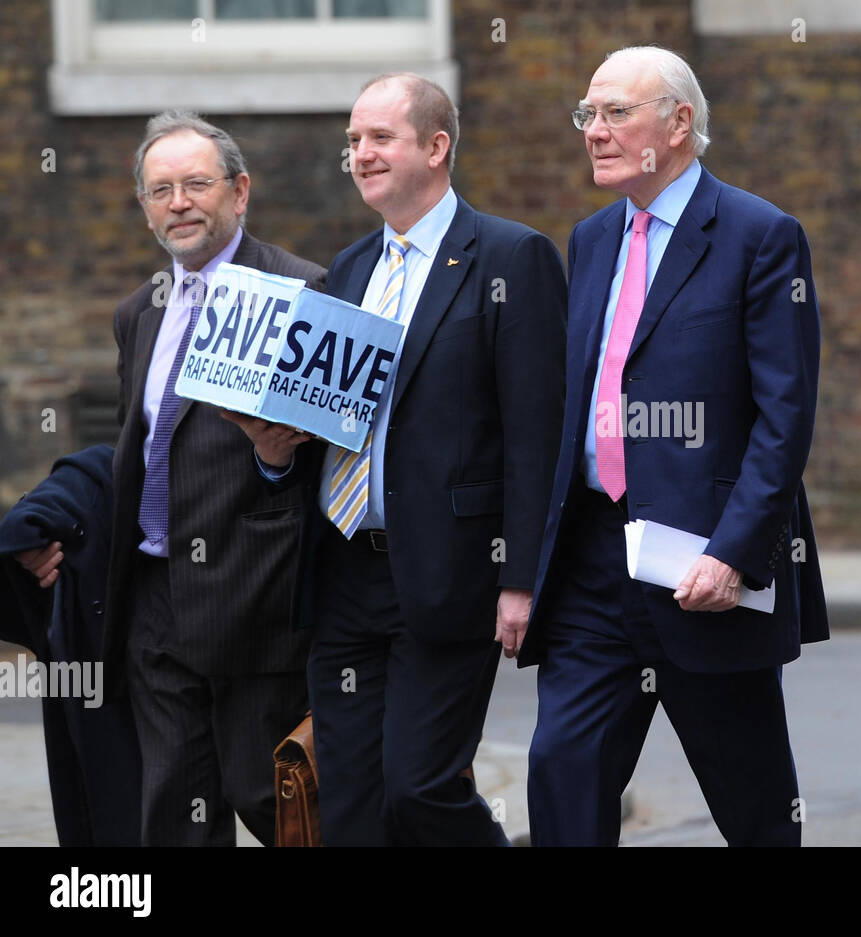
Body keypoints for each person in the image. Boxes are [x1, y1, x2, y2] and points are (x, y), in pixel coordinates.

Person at [229, 73, 566, 845]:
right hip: (345, 569)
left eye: (380, 138)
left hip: (450, 572)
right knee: (349, 802)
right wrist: (276, 457)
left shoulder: (512, 257)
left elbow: (535, 433)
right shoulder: (346, 271)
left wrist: (520, 578)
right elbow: (328, 423)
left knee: (419, 787)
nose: (361, 154)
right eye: (353, 141)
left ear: (437, 147)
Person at [516, 46, 828, 846]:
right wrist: (523, 574)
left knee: (756, 809)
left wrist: (733, 553)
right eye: (588, 114)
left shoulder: (760, 235)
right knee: (562, 775)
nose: (595, 131)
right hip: (594, 565)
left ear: (679, 123)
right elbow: (569, 408)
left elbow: (783, 417)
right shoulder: (590, 240)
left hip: (705, 571)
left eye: (617, 112)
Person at [32, 110, 322, 845]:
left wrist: (274, 458)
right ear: (144, 206)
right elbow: (137, 453)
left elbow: (335, 462)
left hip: (255, 598)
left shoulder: (301, 290)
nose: (179, 203)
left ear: (240, 191)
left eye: (197, 184)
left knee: (276, 801)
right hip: (154, 605)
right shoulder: (139, 313)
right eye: (161, 190)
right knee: (173, 814)